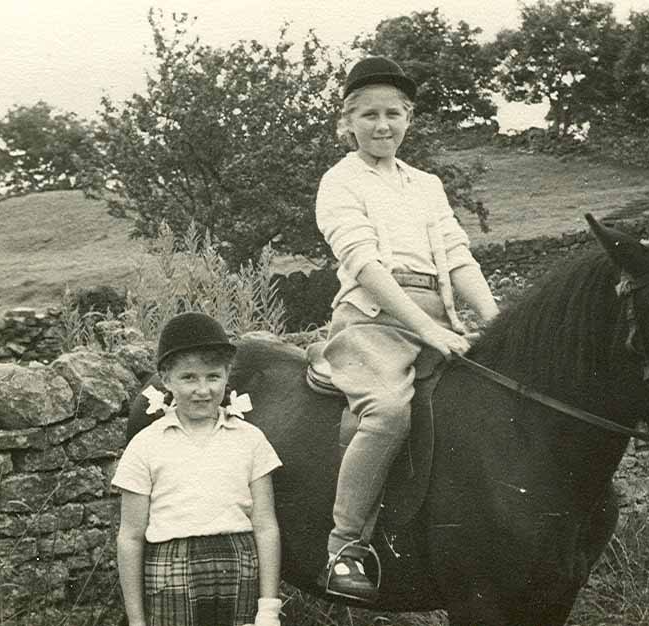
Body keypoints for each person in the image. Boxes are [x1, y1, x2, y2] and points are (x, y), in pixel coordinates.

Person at [315, 56, 499, 602]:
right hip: (372, 322)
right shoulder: (339, 181)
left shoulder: (426, 184)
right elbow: (366, 266)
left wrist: (493, 318)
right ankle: (344, 547)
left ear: (409, 119)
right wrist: (426, 327)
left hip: (438, 319)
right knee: (390, 411)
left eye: (392, 113)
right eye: (368, 115)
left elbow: (457, 254)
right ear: (348, 123)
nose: (381, 126)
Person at [113, 312, 283, 626]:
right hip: (169, 570)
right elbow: (131, 537)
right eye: (189, 377)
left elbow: (266, 525)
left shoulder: (251, 440)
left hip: (239, 564)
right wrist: (136, 621)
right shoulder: (145, 445)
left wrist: (269, 608)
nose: (202, 389)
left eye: (213, 376)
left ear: (227, 374)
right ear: (165, 378)